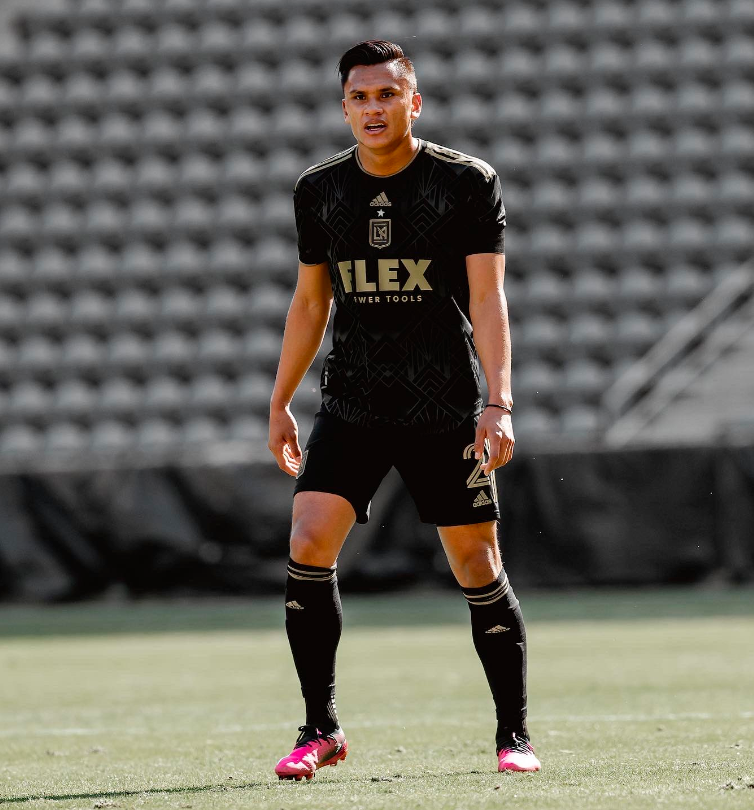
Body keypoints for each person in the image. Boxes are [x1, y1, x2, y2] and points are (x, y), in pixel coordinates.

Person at [268, 40, 539, 780]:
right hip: (353, 400)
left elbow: (487, 298)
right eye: (359, 97)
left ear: (412, 102)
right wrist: (280, 399)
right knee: (307, 538)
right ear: (343, 107)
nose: (373, 108)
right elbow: (309, 302)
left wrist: (498, 401)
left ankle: (511, 736)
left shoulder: (464, 183)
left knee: (476, 562)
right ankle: (318, 728)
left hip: (442, 404)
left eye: (387, 94)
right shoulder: (317, 190)